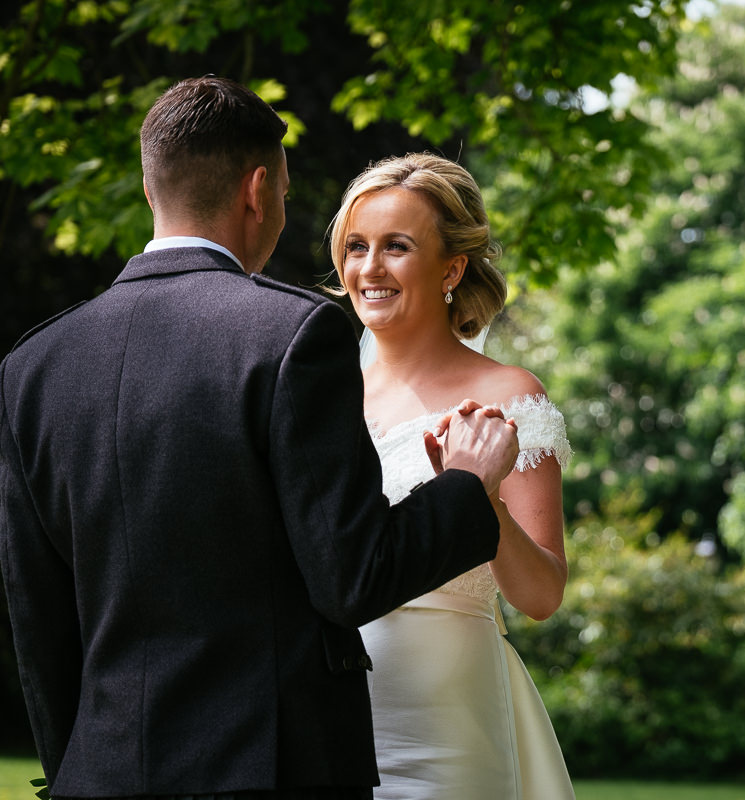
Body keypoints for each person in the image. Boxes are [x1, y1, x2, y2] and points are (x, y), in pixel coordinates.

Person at [0, 77, 520, 799]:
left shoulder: (32, 365)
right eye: (282, 189)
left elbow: (37, 615)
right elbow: (352, 576)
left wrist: (72, 771)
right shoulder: (292, 335)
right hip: (270, 770)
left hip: (99, 773)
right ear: (257, 191)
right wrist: (465, 485)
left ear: (153, 192)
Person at [326, 153, 575, 800]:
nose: (369, 268)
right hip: (328, 711)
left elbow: (542, 593)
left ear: (452, 268)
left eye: (397, 247)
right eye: (356, 247)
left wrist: (479, 496)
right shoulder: (321, 398)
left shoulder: (506, 398)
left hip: (450, 722)